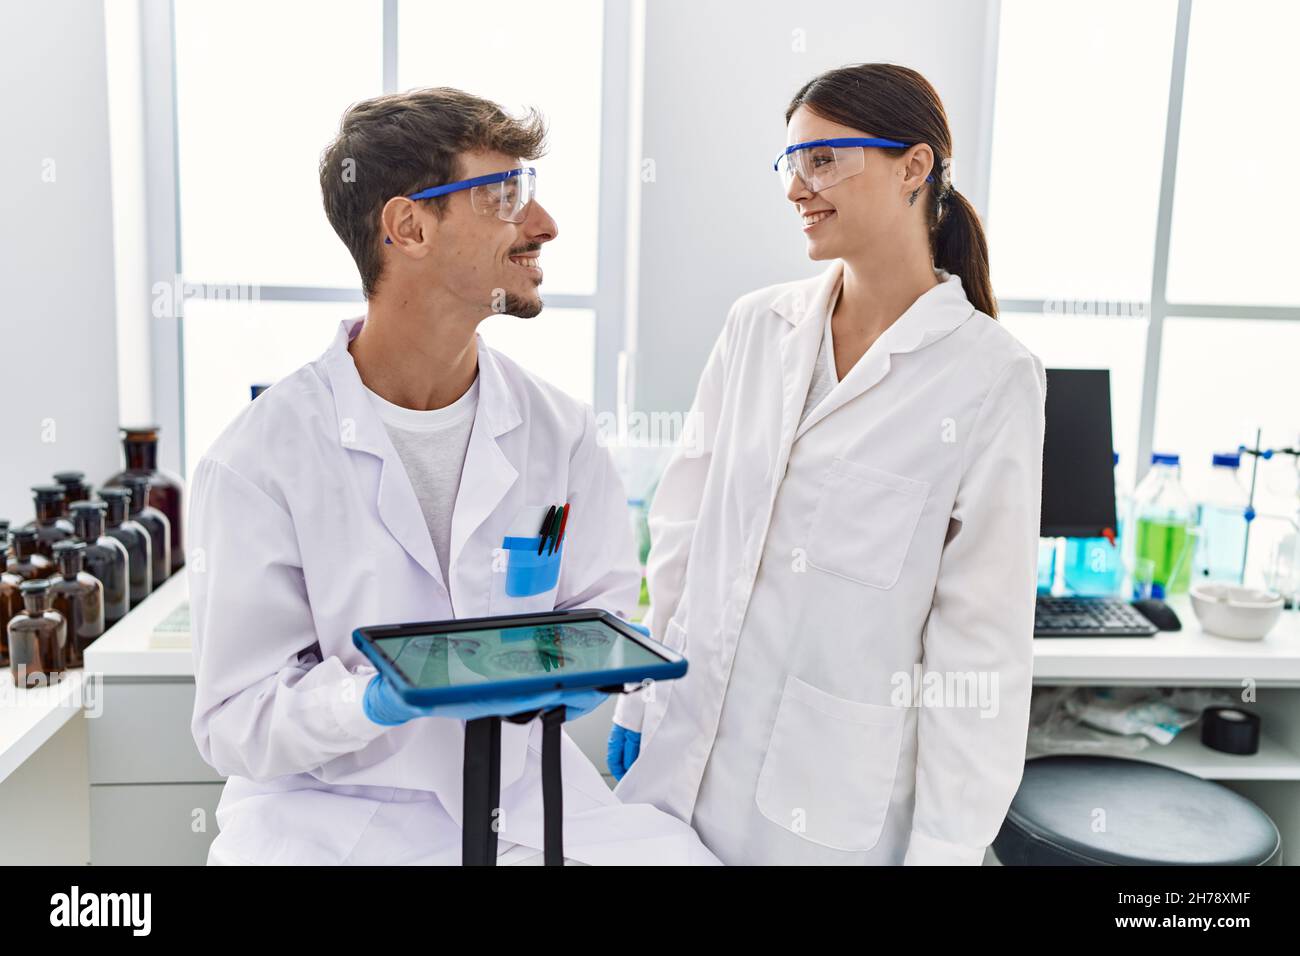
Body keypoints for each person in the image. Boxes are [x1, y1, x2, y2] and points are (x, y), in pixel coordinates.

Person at [188, 88, 715, 865]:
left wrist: (585, 666)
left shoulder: (557, 429)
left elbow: (598, 606)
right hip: (330, 819)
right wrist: (369, 700)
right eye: (507, 197)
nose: (543, 226)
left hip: (524, 796)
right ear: (409, 226)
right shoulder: (258, 460)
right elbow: (235, 718)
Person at [608, 64, 1046, 865]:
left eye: (823, 160)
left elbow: (980, 647)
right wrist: (640, 703)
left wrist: (946, 851)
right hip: (683, 766)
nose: (795, 187)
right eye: (791, 164)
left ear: (914, 167)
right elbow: (680, 530)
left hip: (827, 812)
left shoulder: (991, 377)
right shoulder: (755, 327)